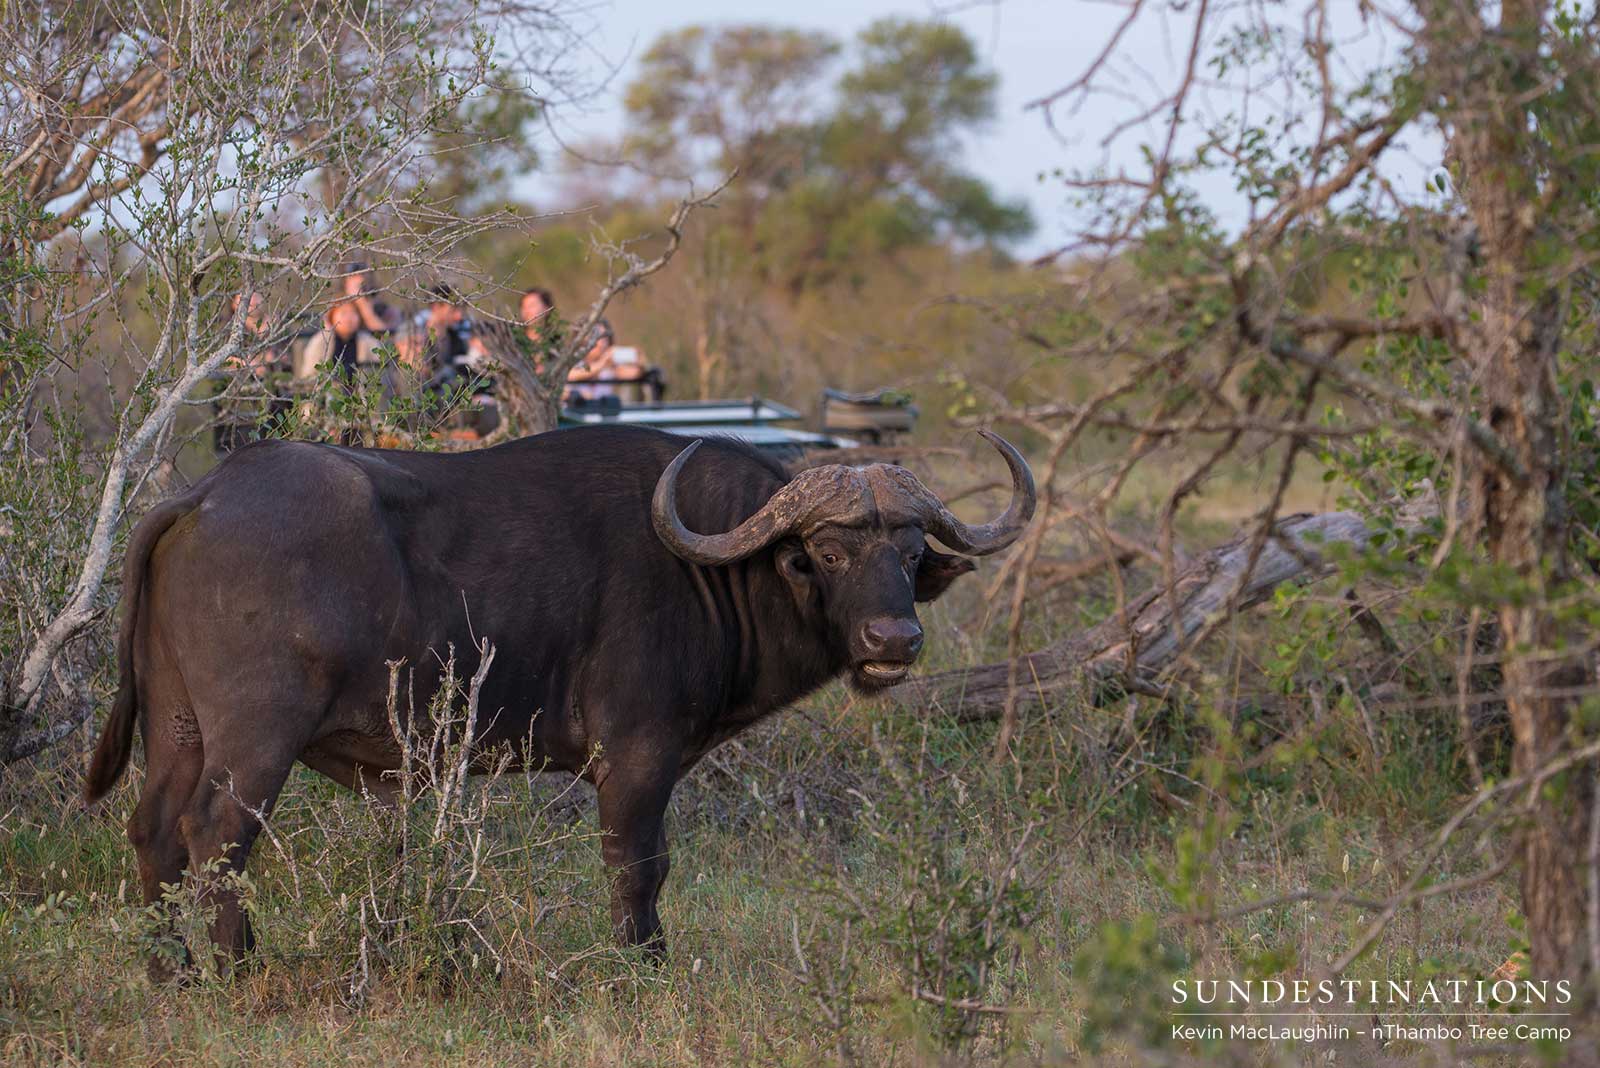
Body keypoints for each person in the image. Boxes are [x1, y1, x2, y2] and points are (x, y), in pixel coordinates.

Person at [295, 299, 381, 381]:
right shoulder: (321, 341)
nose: (349, 319)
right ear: (332, 316)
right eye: (344, 314)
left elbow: (378, 372)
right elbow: (310, 375)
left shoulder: (368, 341)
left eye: (353, 314)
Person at [338, 262, 401, 336]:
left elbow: (384, 334)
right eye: (355, 286)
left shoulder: (386, 311)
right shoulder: (338, 307)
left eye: (362, 285)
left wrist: (363, 303)